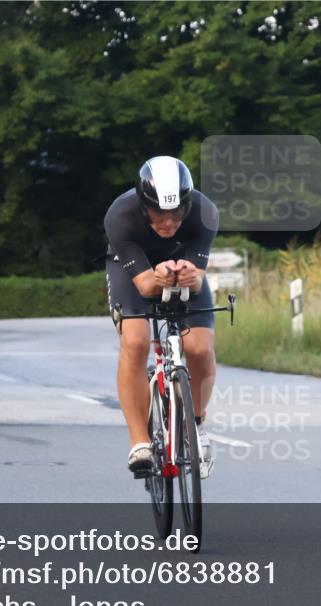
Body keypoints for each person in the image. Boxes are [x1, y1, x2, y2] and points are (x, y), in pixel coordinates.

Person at [104, 156, 219, 478]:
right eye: (158, 214)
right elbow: (144, 285)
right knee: (136, 341)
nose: (168, 222)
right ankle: (139, 441)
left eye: (177, 213)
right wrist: (158, 275)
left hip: (180, 266)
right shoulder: (120, 215)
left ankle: (194, 425)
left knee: (199, 349)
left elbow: (197, 280)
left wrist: (187, 275)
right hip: (133, 270)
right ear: (143, 207)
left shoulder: (204, 211)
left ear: (187, 204)